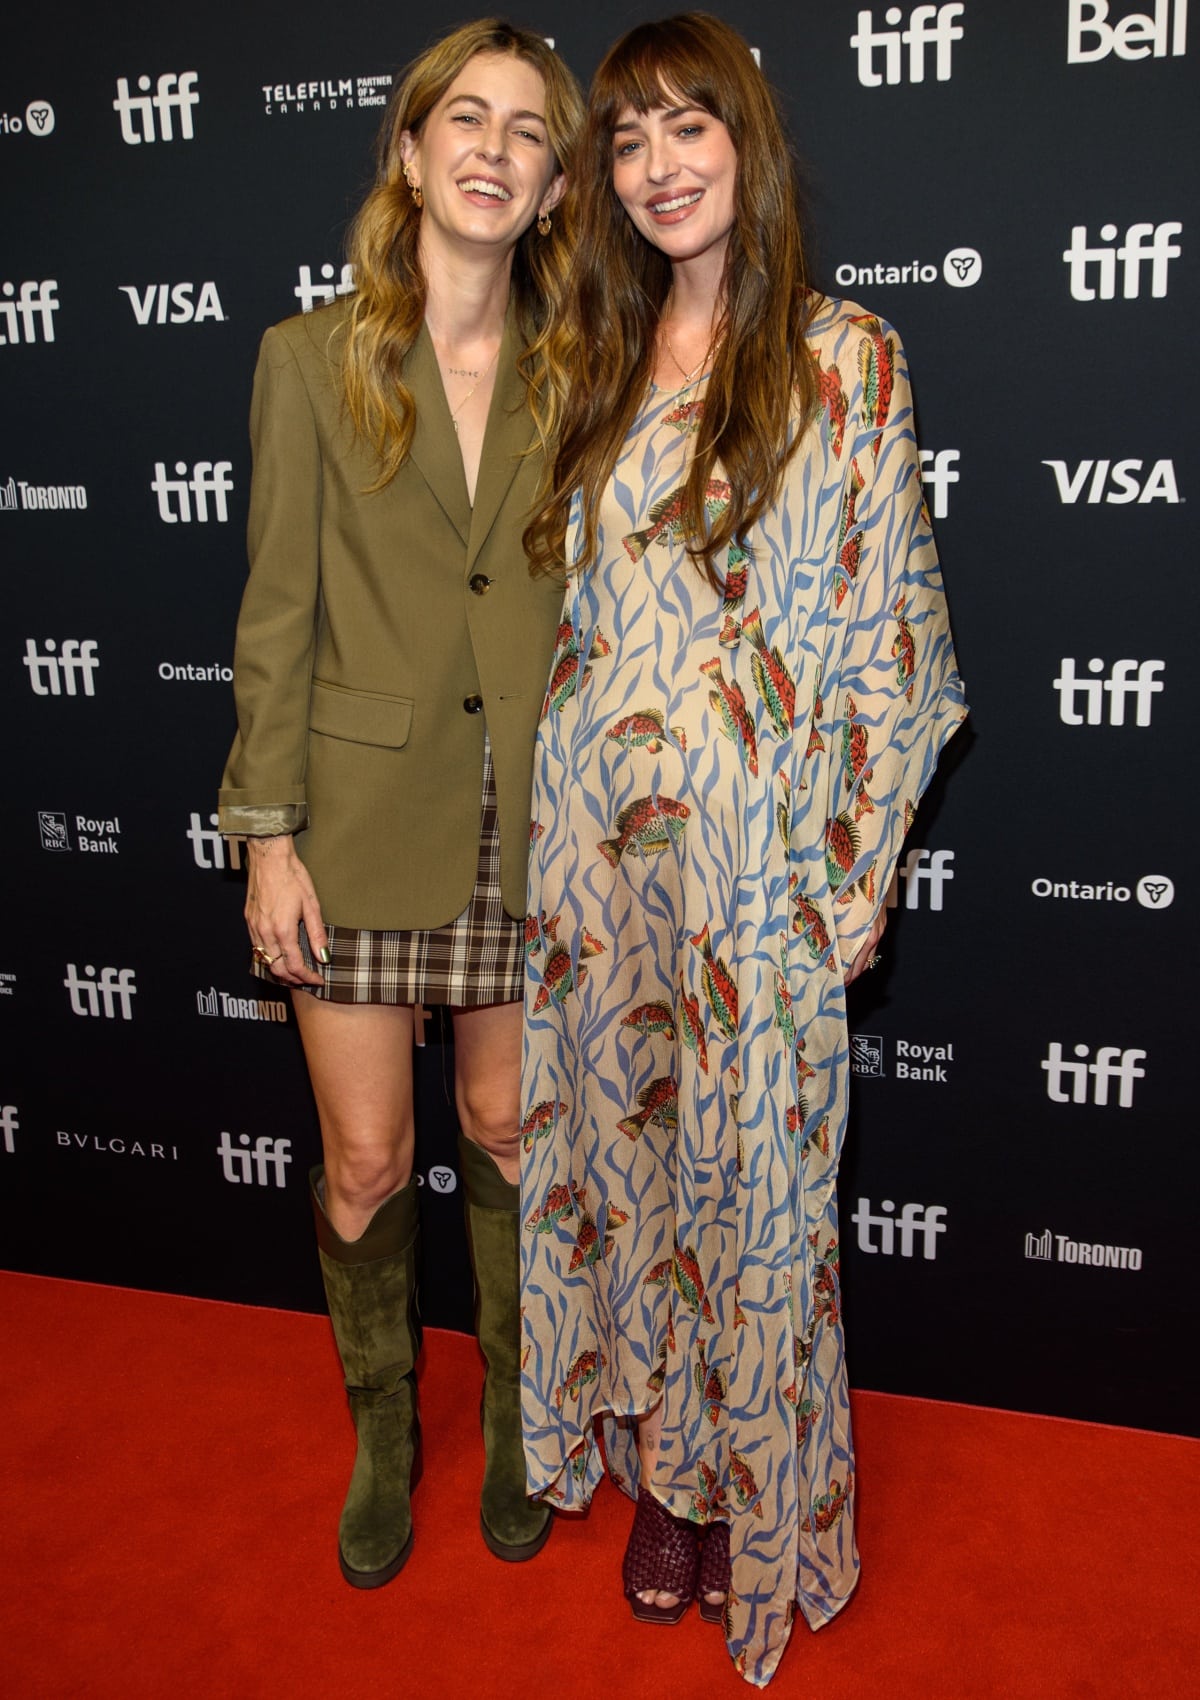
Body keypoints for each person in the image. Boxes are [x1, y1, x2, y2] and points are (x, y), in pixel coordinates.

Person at [519, 13, 966, 1684]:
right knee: (629, 1176)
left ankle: (757, 1491)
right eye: (627, 144)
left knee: (756, 1188)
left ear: (748, 142)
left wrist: (849, 872)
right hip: (591, 857)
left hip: (751, 862)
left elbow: (888, 630)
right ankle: (668, 1476)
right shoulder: (594, 356)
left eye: (687, 129)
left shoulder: (843, 354)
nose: (657, 169)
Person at [218, 20, 583, 1589]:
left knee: (506, 1128)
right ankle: (388, 1431)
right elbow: (275, 610)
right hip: (359, 814)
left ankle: (515, 1417)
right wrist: (268, 833)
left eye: (527, 133)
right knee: (366, 1159)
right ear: (413, 150)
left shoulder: (590, 368)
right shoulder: (309, 360)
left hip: (538, 811)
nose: (493, 149)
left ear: (560, 188)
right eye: (467, 120)